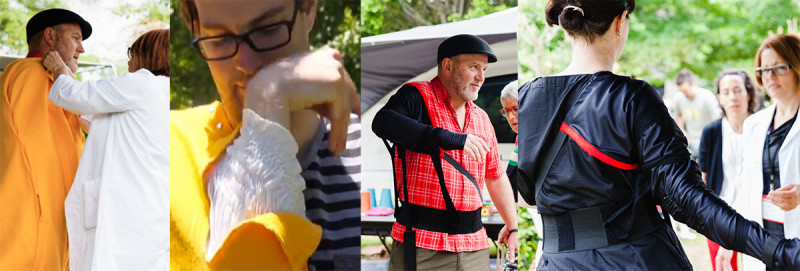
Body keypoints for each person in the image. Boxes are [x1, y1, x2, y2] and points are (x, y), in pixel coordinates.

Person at [516, 1, 800, 269]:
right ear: (620, 21)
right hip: (634, 259)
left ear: (567, 27)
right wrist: (781, 251)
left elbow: (527, 192)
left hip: (558, 262)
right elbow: (685, 197)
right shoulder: (630, 98)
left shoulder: (526, 97)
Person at [171, 0, 361, 270]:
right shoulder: (169, 150)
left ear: (309, 9)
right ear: (195, 28)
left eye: (268, 29)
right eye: (219, 38)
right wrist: (267, 105)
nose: (246, 64)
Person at [373, 34, 519, 271]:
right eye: (473, 67)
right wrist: (446, 137)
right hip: (422, 246)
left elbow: (495, 175)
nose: (481, 77)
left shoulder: (482, 118)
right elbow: (382, 122)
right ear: (448, 66)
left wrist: (512, 226)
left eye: (483, 69)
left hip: (474, 247)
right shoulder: (417, 96)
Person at [40, 29, 170, 270]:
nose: (129, 61)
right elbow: (95, 114)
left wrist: (59, 69)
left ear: (149, 55)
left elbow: (78, 97)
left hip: (125, 215)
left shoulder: (143, 83)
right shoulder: (164, 94)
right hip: (150, 215)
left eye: (133, 53)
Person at [0, 8, 91, 270]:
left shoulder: (56, 81)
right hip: (35, 231)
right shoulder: (31, 73)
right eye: (75, 38)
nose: (81, 49)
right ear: (50, 36)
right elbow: (42, 162)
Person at [732, 33, 800, 271]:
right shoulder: (754, 124)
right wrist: (728, 241)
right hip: (762, 242)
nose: (769, 76)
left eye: (778, 68)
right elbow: (744, 186)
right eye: (763, 70)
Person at [698, 69, 759, 271]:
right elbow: (703, 179)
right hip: (720, 213)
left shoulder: (762, 127)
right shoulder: (712, 132)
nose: (732, 97)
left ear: (748, 93)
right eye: (726, 92)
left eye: (737, 90)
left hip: (756, 213)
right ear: (719, 98)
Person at [674, 68, 723, 158]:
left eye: (685, 91)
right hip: (690, 144)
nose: (684, 94)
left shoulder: (707, 98)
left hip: (707, 142)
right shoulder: (679, 98)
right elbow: (679, 116)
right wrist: (683, 132)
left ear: (692, 84)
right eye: (681, 91)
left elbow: (717, 120)